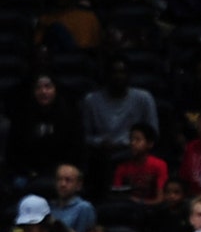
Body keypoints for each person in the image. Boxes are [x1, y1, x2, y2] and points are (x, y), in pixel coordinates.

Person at [82, 57, 159, 198]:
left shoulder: (143, 98)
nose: (118, 76)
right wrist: (100, 142)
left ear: (129, 76)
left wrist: (132, 143)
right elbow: (85, 136)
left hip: (134, 152)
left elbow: (152, 132)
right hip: (102, 154)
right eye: (114, 72)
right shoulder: (91, 100)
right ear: (106, 75)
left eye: (122, 72)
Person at [6, 74, 85, 185]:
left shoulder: (69, 116)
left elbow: (75, 150)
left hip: (61, 172)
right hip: (28, 173)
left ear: (55, 90)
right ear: (32, 91)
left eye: (48, 87)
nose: (43, 91)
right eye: (38, 88)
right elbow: (13, 151)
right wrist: (28, 172)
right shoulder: (21, 117)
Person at [111, 123, 167, 206]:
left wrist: (139, 202)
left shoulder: (159, 165)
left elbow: (160, 199)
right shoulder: (122, 167)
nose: (132, 143)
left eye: (137, 140)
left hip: (152, 209)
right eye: (131, 139)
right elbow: (117, 195)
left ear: (150, 144)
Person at [50, 164, 96, 232]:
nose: (62, 184)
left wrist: (58, 226)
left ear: (78, 185)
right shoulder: (49, 206)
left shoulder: (84, 208)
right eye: (59, 179)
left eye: (68, 180)